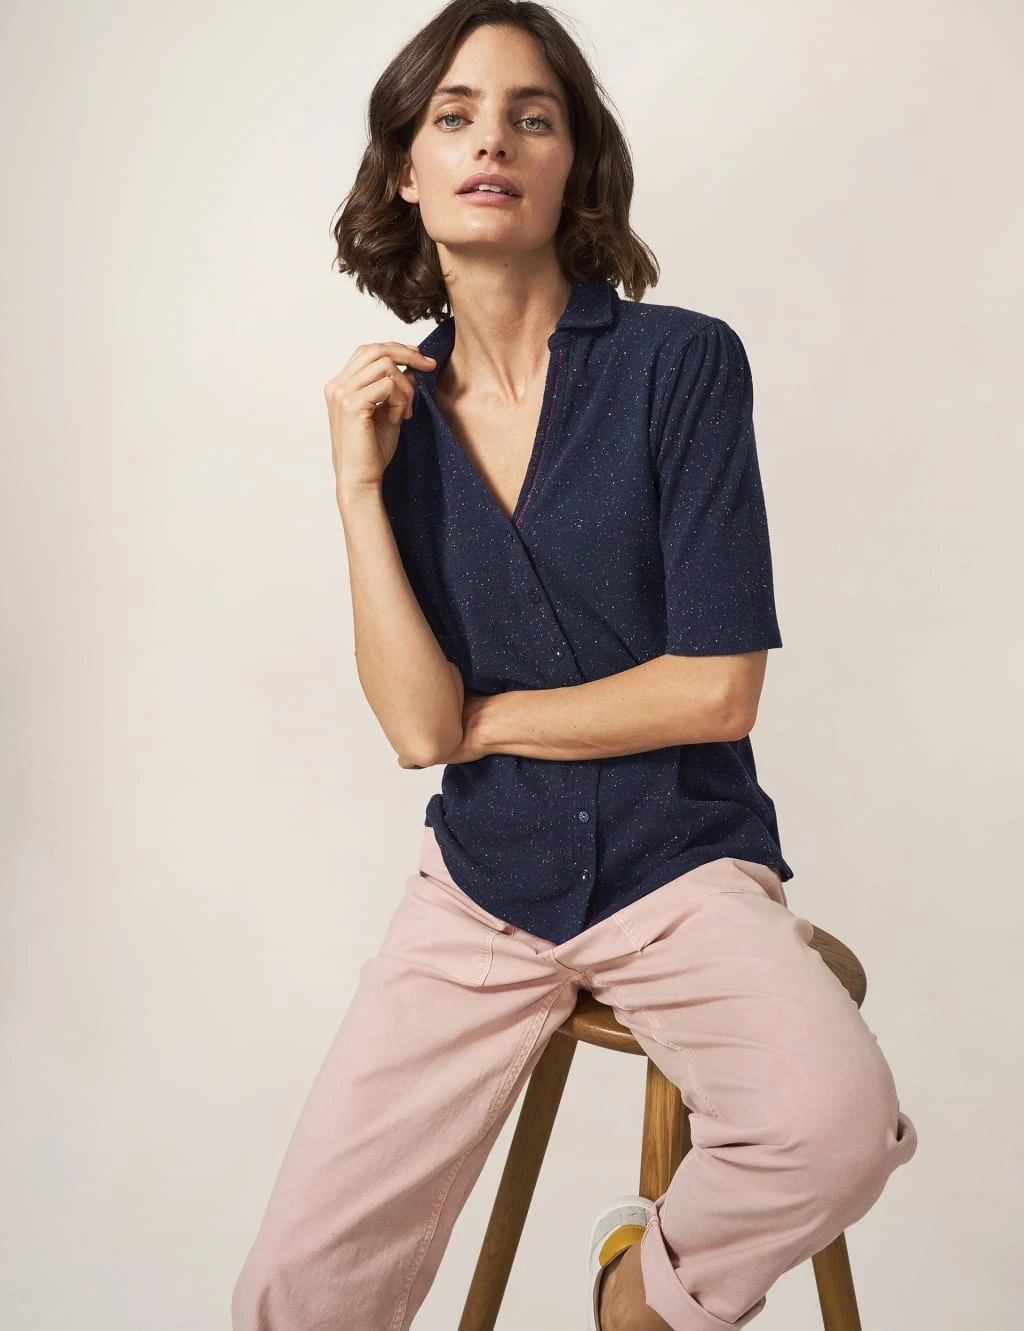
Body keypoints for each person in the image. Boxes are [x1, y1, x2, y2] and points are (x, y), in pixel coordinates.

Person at [231, 3, 918, 1329]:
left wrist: (485, 720)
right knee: (294, 1292)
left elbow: (715, 689)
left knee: (836, 1128)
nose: (493, 140)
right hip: (481, 890)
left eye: (531, 117)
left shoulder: (681, 365)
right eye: (456, 116)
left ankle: (634, 1294)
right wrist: (356, 486)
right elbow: (417, 729)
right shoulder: (394, 420)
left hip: (680, 859)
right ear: (407, 169)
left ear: (573, 164)